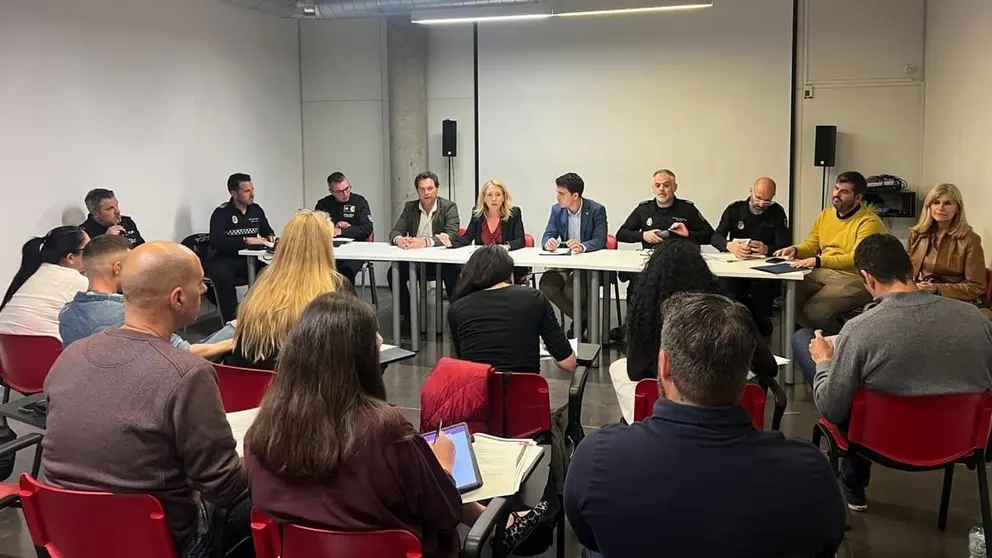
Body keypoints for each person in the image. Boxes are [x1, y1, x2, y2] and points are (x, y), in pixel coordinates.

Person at [245, 292, 546, 558]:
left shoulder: (262, 432)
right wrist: (443, 467)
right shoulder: (383, 432)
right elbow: (445, 513)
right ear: (362, 360)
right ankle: (503, 523)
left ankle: (504, 523)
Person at [565, 292, 846, 558]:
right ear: (745, 372)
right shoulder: (808, 473)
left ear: (664, 365)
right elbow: (825, 543)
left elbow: (587, 534)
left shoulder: (598, 457)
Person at [42, 241, 251, 558]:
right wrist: (263, 457)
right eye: (199, 283)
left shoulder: (70, 355)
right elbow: (224, 487)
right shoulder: (187, 372)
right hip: (160, 543)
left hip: (70, 538)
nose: (204, 290)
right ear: (177, 298)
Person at [799, 233, 992, 511]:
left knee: (806, 343)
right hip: (961, 442)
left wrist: (824, 362)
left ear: (868, 278)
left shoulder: (860, 328)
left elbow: (832, 408)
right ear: (911, 268)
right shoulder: (977, 321)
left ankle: (852, 485)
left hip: (875, 443)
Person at [623, 238, 778, 382]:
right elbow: (769, 367)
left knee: (619, 369)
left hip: (666, 395)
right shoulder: (729, 313)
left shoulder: (647, 317)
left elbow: (635, 372)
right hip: (720, 395)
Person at [58, 235, 235, 358]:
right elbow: (180, 353)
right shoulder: (125, 313)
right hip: (154, 378)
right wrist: (232, 340)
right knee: (235, 327)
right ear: (117, 268)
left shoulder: (67, 313)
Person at [226, 210, 353, 370]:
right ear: (326, 246)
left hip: (251, 381)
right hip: (306, 381)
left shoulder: (263, 282)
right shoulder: (336, 286)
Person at [774, 171, 886, 334]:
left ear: (857, 198)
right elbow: (812, 245)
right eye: (836, 189)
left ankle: (843, 341)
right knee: (791, 297)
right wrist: (795, 250)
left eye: (844, 192)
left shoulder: (869, 222)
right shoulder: (825, 215)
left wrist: (818, 261)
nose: (837, 195)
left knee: (815, 311)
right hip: (825, 271)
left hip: (855, 277)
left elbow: (857, 258)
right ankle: (809, 339)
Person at [612, 169, 714, 341]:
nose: (662, 189)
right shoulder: (643, 209)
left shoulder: (687, 209)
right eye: (658, 185)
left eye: (666, 185)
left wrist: (688, 234)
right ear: (653, 188)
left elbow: (710, 235)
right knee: (635, 283)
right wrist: (643, 235)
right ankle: (633, 327)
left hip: (679, 263)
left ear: (675, 187)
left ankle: (677, 331)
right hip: (651, 263)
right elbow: (621, 233)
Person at [448, 245, 576, 373]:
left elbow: (462, 360)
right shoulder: (534, 298)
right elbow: (568, 363)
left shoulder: (457, 309)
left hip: (477, 384)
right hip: (524, 385)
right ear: (509, 273)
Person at [711, 177, 791, 336]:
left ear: (773, 197)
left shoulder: (777, 212)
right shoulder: (735, 210)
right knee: (727, 290)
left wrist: (767, 249)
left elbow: (784, 245)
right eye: (758, 198)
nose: (761, 204)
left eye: (767, 201)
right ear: (751, 191)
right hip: (736, 267)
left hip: (763, 270)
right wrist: (729, 245)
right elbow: (715, 237)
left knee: (762, 294)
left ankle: (760, 324)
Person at [539, 172, 608, 336]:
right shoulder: (557, 210)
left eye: (561, 193)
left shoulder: (596, 210)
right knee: (546, 285)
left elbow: (600, 239)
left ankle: (580, 323)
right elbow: (548, 234)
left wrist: (582, 246)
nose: (557, 197)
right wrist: (548, 243)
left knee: (572, 289)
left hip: (588, 265)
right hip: (565, 263)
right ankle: (583, 318)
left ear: (575, 195)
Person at [907, 183, 989, 314]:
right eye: (936, 202)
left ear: (958, 209)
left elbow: (976, 286)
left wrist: (938, 288)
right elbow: (906, 272)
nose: (940, 208)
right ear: (929, 206)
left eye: (947, 203)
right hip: (919, 295)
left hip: (954, 300)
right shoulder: (916, 234)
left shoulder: (970, 239)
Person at [387, 171, 460, 316]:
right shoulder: (410, 207)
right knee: (394, 273)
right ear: (417, 191)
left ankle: (457, 314)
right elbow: (395, 231)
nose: (426, 193)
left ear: (437, 189)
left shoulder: (449, 207)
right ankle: (406, 313)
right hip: (416, 261)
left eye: (430, 188)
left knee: (454, 272)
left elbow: (452, 234)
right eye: (422, 189)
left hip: (442, 261)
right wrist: (399, 239)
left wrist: (425, 242)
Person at [206, 173, 276, 323]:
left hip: (248, 259)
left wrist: (270, 237)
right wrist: (245, 240)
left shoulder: (256, 210)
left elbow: (267, 231)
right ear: (234, 193)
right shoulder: (221, 213)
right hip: (224, 259)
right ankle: (232, 323)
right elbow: (217, 241)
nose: (252, 194)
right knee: (224, 277)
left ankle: (257, 314)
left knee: (270, 271)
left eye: (252, 190)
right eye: (246, 191)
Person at [0, 226, 89, 340]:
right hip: (48, 347)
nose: (94, 254)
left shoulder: (33, 272)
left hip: (7, 348)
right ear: (70, 257)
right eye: (89, 250)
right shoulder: (76, 280)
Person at [439, 179, 530, 283]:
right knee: (455, 272)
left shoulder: (514, 213)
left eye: (498, 195)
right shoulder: (478, 214)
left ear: (504, 197)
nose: (494, 199)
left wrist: (506, 247)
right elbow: (467, 237)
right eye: (489, 195)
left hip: (505, 263)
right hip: (483, 263)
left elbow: (520, 240)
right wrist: (451, 243)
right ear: (484, 198)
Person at [314, 172, 373, 285]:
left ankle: (345, 296)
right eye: (340, 192)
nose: (345, 194)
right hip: (329, 250)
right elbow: (316, 229)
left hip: (355, 250)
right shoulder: (323, 204)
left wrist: (342, 231)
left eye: (347, 188)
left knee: (345, 272)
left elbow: (367, 229)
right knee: (316, 269)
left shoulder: (359, 202)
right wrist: (332, 227)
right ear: (331, 191)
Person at [80, 188, 145, 246]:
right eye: (110, 208)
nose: (118, 211)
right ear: (96, 213)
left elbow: (142, 247)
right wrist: (105, 240)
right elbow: (89, 255)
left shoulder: (127, 222)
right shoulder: (84, 233)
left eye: (116, 205)